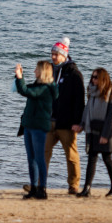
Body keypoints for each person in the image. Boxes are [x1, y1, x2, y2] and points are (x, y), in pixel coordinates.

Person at [46, 37, 85, 194]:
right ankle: (39, 183)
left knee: (71, 155)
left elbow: (80, 100)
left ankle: (74, 185)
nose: (53, 57)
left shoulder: (74, 74)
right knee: (43, 154)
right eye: (52, 53)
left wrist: (78, 122)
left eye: (56, 54)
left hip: (67, 123)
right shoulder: (47, 70)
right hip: (48, 121)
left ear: (64, 55)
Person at [15, 60, 58, 200]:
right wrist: (19, 78)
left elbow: (26, 91)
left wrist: (20, 77)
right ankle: (33, 188)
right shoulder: (38, 85)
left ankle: (42, 189)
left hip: (39, 127)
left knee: (39, 158)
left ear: (42, 72)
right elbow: (24, 90)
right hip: (28, 125)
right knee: (31, 159)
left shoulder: (46, 88)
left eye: (36, 69)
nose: (34, 71)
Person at [74, 68, 112, 198]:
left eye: (96, 77)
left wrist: (105, 135)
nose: (93, 80)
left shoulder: (111, 94)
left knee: (107, 159)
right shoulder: (92, 93)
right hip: (92, 129)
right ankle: (87, 188)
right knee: (91, 159)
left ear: (103, 79)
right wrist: (81, 125)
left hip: (106, 131)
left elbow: (110, 116)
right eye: (92, 77)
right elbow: (87, 111)